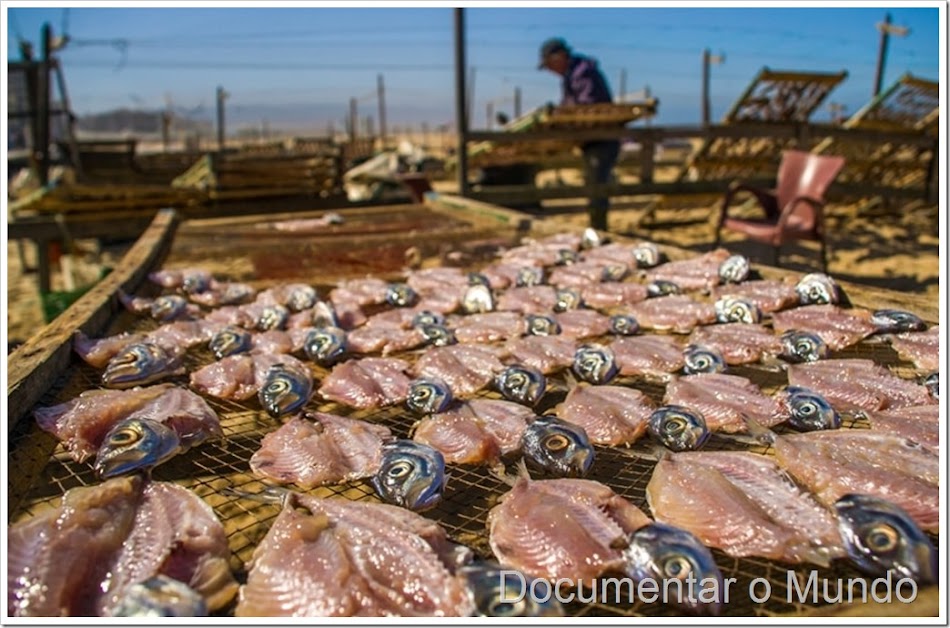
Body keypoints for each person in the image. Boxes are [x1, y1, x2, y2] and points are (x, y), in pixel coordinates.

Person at [538, 37, 620, 231]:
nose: (550, 70)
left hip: (601, 139)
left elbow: (586, 108)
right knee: (593, 185)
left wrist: (563, 118)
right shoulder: (572, 75)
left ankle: (598, 230)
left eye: (550, 64)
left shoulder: (582, 73)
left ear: (560, 57)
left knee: (597, 187)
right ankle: (597, 228)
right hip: (591, 140)